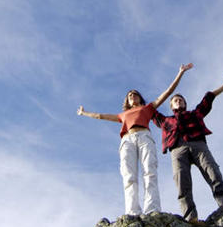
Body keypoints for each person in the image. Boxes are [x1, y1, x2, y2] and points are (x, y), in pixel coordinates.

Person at [77, 63, 193, 215]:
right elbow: (100, 116)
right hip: (127, 140)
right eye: (129, 95)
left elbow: (168, 92)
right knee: (129, 176)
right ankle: (132, 212)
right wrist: (84, 113)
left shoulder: (147, 108)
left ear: (140, 98)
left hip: (144, 136)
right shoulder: (122, 115)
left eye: (135, 94)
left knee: (149, 172)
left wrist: (180, 73)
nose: (132, 96)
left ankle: (152, 209)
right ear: (127, 101)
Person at [153, 73, 223, 223]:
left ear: (184, 104)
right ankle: (190, 216)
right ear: (171, 106)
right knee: (181, 181)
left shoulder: (195, 113)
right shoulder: (166, 120)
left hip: (198, 144)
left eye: (180, 100)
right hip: (177, 149)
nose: (178, 101)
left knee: (213, 172)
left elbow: (208, 98)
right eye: (175, 101)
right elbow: (150, 111)